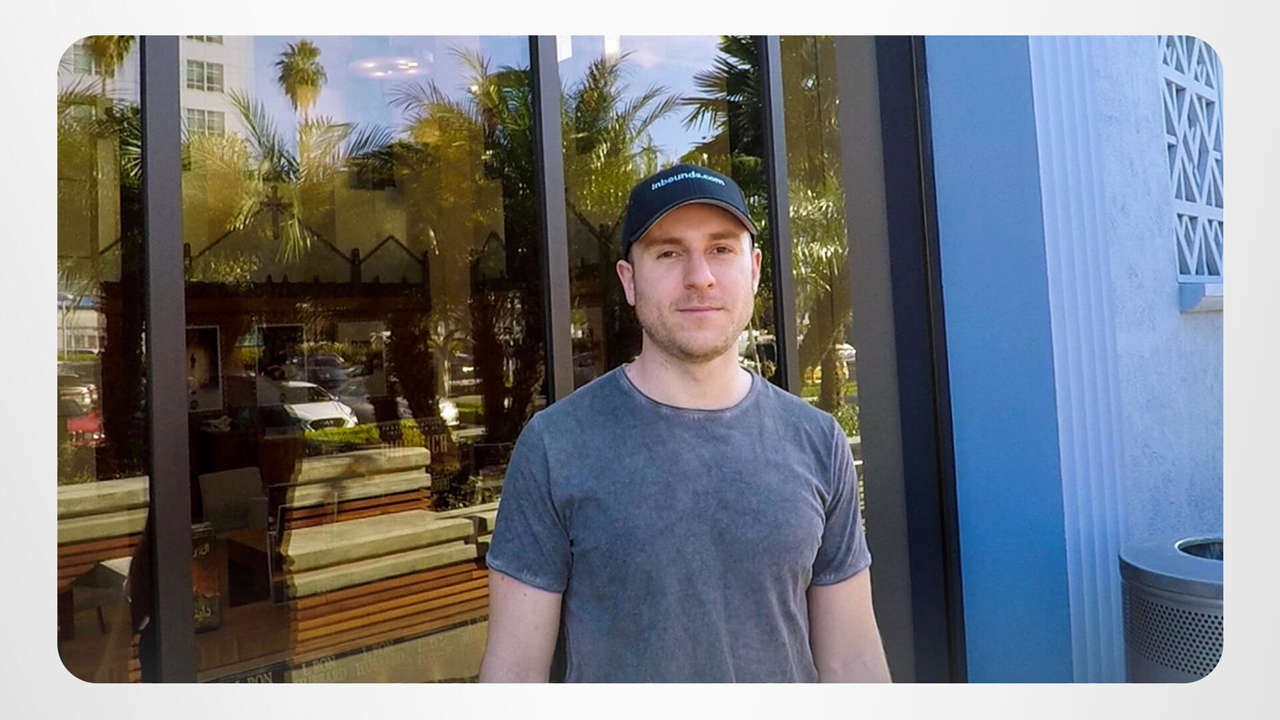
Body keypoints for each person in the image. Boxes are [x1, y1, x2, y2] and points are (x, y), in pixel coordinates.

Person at [478, 163, 890, 682]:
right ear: (629, 280)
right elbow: (515, 675)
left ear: (754, 270)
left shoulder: (817, 440)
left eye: (721, 249)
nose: (700, 277)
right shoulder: (556, 445)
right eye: (669, 253)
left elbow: (853, 661)